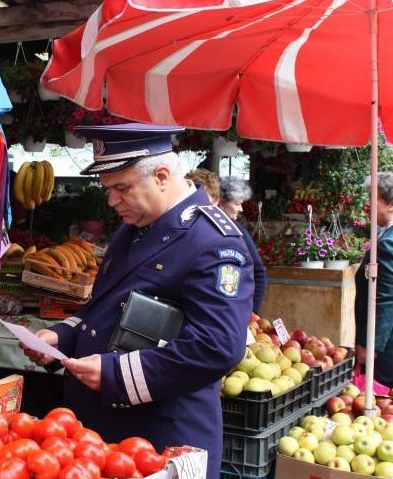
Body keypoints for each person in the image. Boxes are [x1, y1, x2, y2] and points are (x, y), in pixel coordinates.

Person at [20, 124, 253, 479]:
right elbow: (104, 308)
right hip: (106, 436)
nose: (112, 201)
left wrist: (115, 373)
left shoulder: (214, 241)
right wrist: (59, 338)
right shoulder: (134, 229)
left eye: (121, 188)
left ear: (161, 176)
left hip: (160, 440)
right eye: (108, 189)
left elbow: (218, 347)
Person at [355, 172, 393, 387]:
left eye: (373, 198)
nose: (368, 203)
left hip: (386, 346)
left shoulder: (388, 242)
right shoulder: (384, 234)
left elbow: (387, 298)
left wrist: (371, 345)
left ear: (391, 205)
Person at [217, 176, 267, 314]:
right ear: (221, 203)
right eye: (236, 204)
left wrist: (252, 311)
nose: (241, 209)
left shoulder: (239, 231)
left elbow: (259, 271)